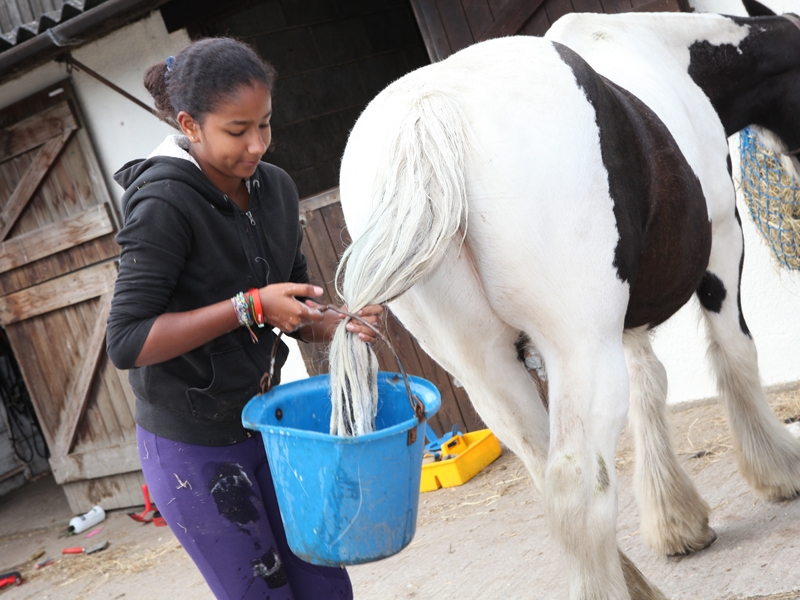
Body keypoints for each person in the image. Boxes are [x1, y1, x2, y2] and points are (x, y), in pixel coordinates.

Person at [106, 37, 383, 600]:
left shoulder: (276, 189)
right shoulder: (162, 203)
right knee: (263, 593)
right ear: (191, 124)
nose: (257, 144)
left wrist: (333, 322)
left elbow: (293, 306)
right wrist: (249, 306)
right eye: (237, 130)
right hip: (192, 447)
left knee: (326, 586)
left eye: (265, 125)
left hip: (267, 424)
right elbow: (127, 340)